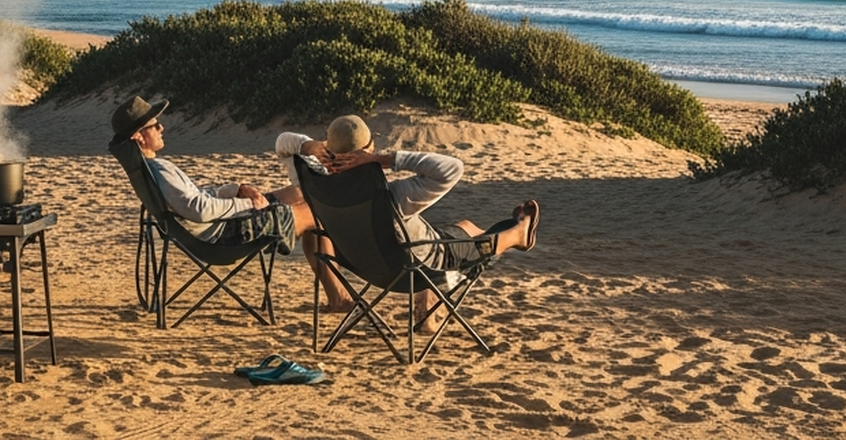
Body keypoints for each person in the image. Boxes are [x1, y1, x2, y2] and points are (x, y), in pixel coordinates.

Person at [273, 115, 540, 317]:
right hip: (418, 269)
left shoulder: (315, 184)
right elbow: (452, 168)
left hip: (367, 267)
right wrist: (384, 159)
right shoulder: (393, 196)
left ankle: (427, 317)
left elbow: (283, 143)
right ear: (370, 148)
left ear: (326, 146)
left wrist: (309, 147)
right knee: (467, 236)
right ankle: (519, 233)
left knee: (460, 227)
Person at [112, 95, 315, 254]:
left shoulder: (150, 169)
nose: (161, 127)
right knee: (316, 209)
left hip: (214, 230)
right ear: (138, 136)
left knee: (299, 194)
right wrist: (247, 204)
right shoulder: (160, 171)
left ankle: (335, 295)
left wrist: (236, 190)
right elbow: (199, 209)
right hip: (224, 237)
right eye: (154, 125)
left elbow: (196, 198)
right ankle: (338, 296)